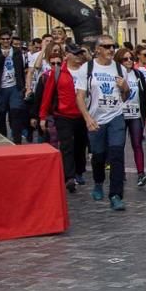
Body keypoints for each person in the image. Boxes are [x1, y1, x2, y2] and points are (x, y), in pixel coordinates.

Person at [76, 36, 130, 210]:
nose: (110, 50)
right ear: (97, 49)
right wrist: (87, 118)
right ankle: (98, 182)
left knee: (116, 154)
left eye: (113, 46)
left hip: (116, 116)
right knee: (98, 156)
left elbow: (125, 97)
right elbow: (80, 96)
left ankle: (116, 195)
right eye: (106, 46)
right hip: (96, 118)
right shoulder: (87, 68)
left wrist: (125, 88)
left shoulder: (120, 69)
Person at [40, 44, 89, 191]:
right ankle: (69, 177)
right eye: (75, 54)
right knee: (66, 146)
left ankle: (79, 171)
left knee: (81, 145)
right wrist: (43, 116)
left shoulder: (86, 71)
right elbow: (47, 96)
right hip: (63, 115)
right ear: (67, 55)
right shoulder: (57, 73)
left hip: (82, 114)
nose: (78, 56)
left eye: (80, 54)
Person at [115, 48, 146, 187]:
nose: (129, 61)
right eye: (125, 59)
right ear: (119, 61)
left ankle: (141, 173)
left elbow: (144, 95)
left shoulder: (138, 74)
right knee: (119, 144)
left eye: (131, 58)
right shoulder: (116, 74)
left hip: (135, 114)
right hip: (119, 114)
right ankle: (120, 172)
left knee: (137, 144)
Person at [0, 28, 28, 144]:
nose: (5, 41)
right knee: (1, 112)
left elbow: (20, 68)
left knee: (15, 112)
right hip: (1, 87)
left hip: (15, 86)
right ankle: (2, 139)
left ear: (11, 39)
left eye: (7, 39)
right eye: (3, 39)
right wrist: (2, 57)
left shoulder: (17, 51)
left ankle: (17, 139)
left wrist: (24, 86)